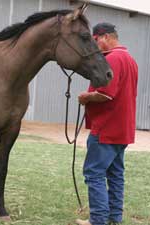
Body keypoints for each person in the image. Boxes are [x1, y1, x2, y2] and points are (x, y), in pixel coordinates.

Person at [75, 22, 138, 225]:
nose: (94, 46)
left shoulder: (113, 58)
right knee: (116, 174)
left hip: (107, 128)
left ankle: (98, 220)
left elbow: (106, 95)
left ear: (106, 37)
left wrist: (85, 97)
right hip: (123, 129)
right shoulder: (130, 59)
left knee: (93, 173)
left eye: (95, 41)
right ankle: (113, 218)